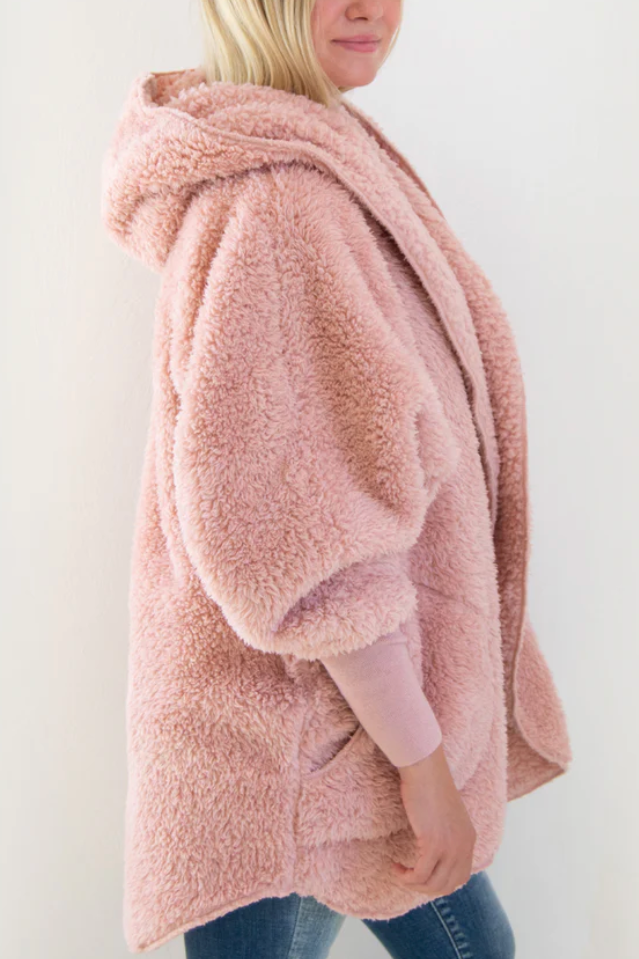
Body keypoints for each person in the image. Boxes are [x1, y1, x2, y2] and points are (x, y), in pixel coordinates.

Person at [100, 0, 573, 955]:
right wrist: (420, 760)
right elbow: (301, 543)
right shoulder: (281, 205)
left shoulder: (317, 160)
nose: (368, 8)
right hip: (297, 757)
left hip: (322, 737)